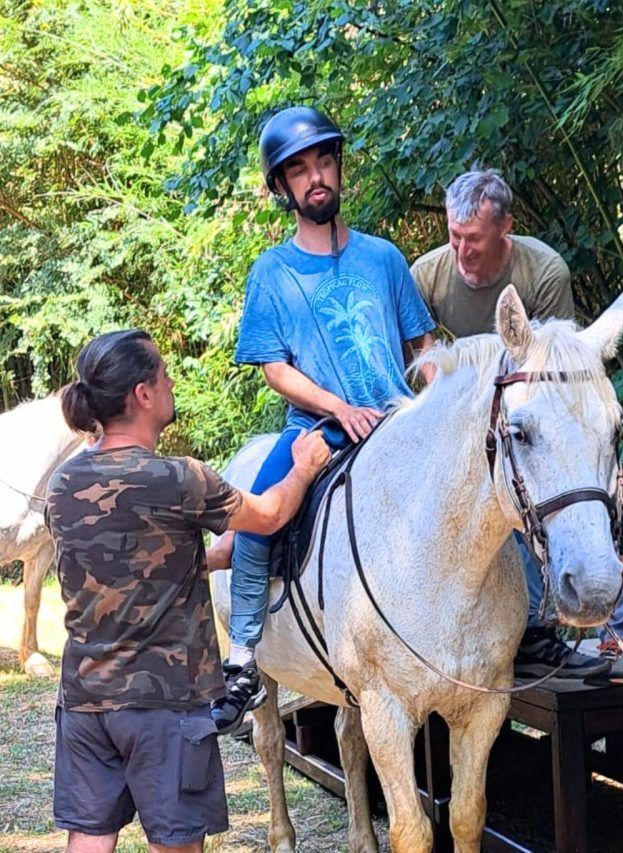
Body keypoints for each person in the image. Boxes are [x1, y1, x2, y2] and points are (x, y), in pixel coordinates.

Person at [45, 329, 330, 853]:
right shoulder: (179, 479)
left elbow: (137, 568)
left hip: (86, 698)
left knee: (87, 840)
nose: (172, 382)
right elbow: (268, 515)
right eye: (163, 373)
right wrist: (306, 467)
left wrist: (213, 558)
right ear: (142, 394)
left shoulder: (64, 484)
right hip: (166, 705)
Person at [219, 105, 436, 731]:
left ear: (338, 169)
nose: (316, 178)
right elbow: (274, 368)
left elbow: (421, 348)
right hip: (318, 428)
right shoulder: (272, 271)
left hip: (398, 423)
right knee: (260, 509)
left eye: (323, 162)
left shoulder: (385, 259)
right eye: (299, 170)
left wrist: (434, 398)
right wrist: (340, 407)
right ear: (283, 188)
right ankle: (242, 655)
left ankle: (521, 625)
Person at [410, 169, 623, 683]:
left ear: (505, 228)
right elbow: (422, 355)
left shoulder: (543, 271)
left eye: (475, 240)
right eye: (454, 236)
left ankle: (598, 630)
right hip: (462, 411)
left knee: (566, 476)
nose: (462, 251)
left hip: (532, 402)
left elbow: (562, 365)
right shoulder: (427, 274)